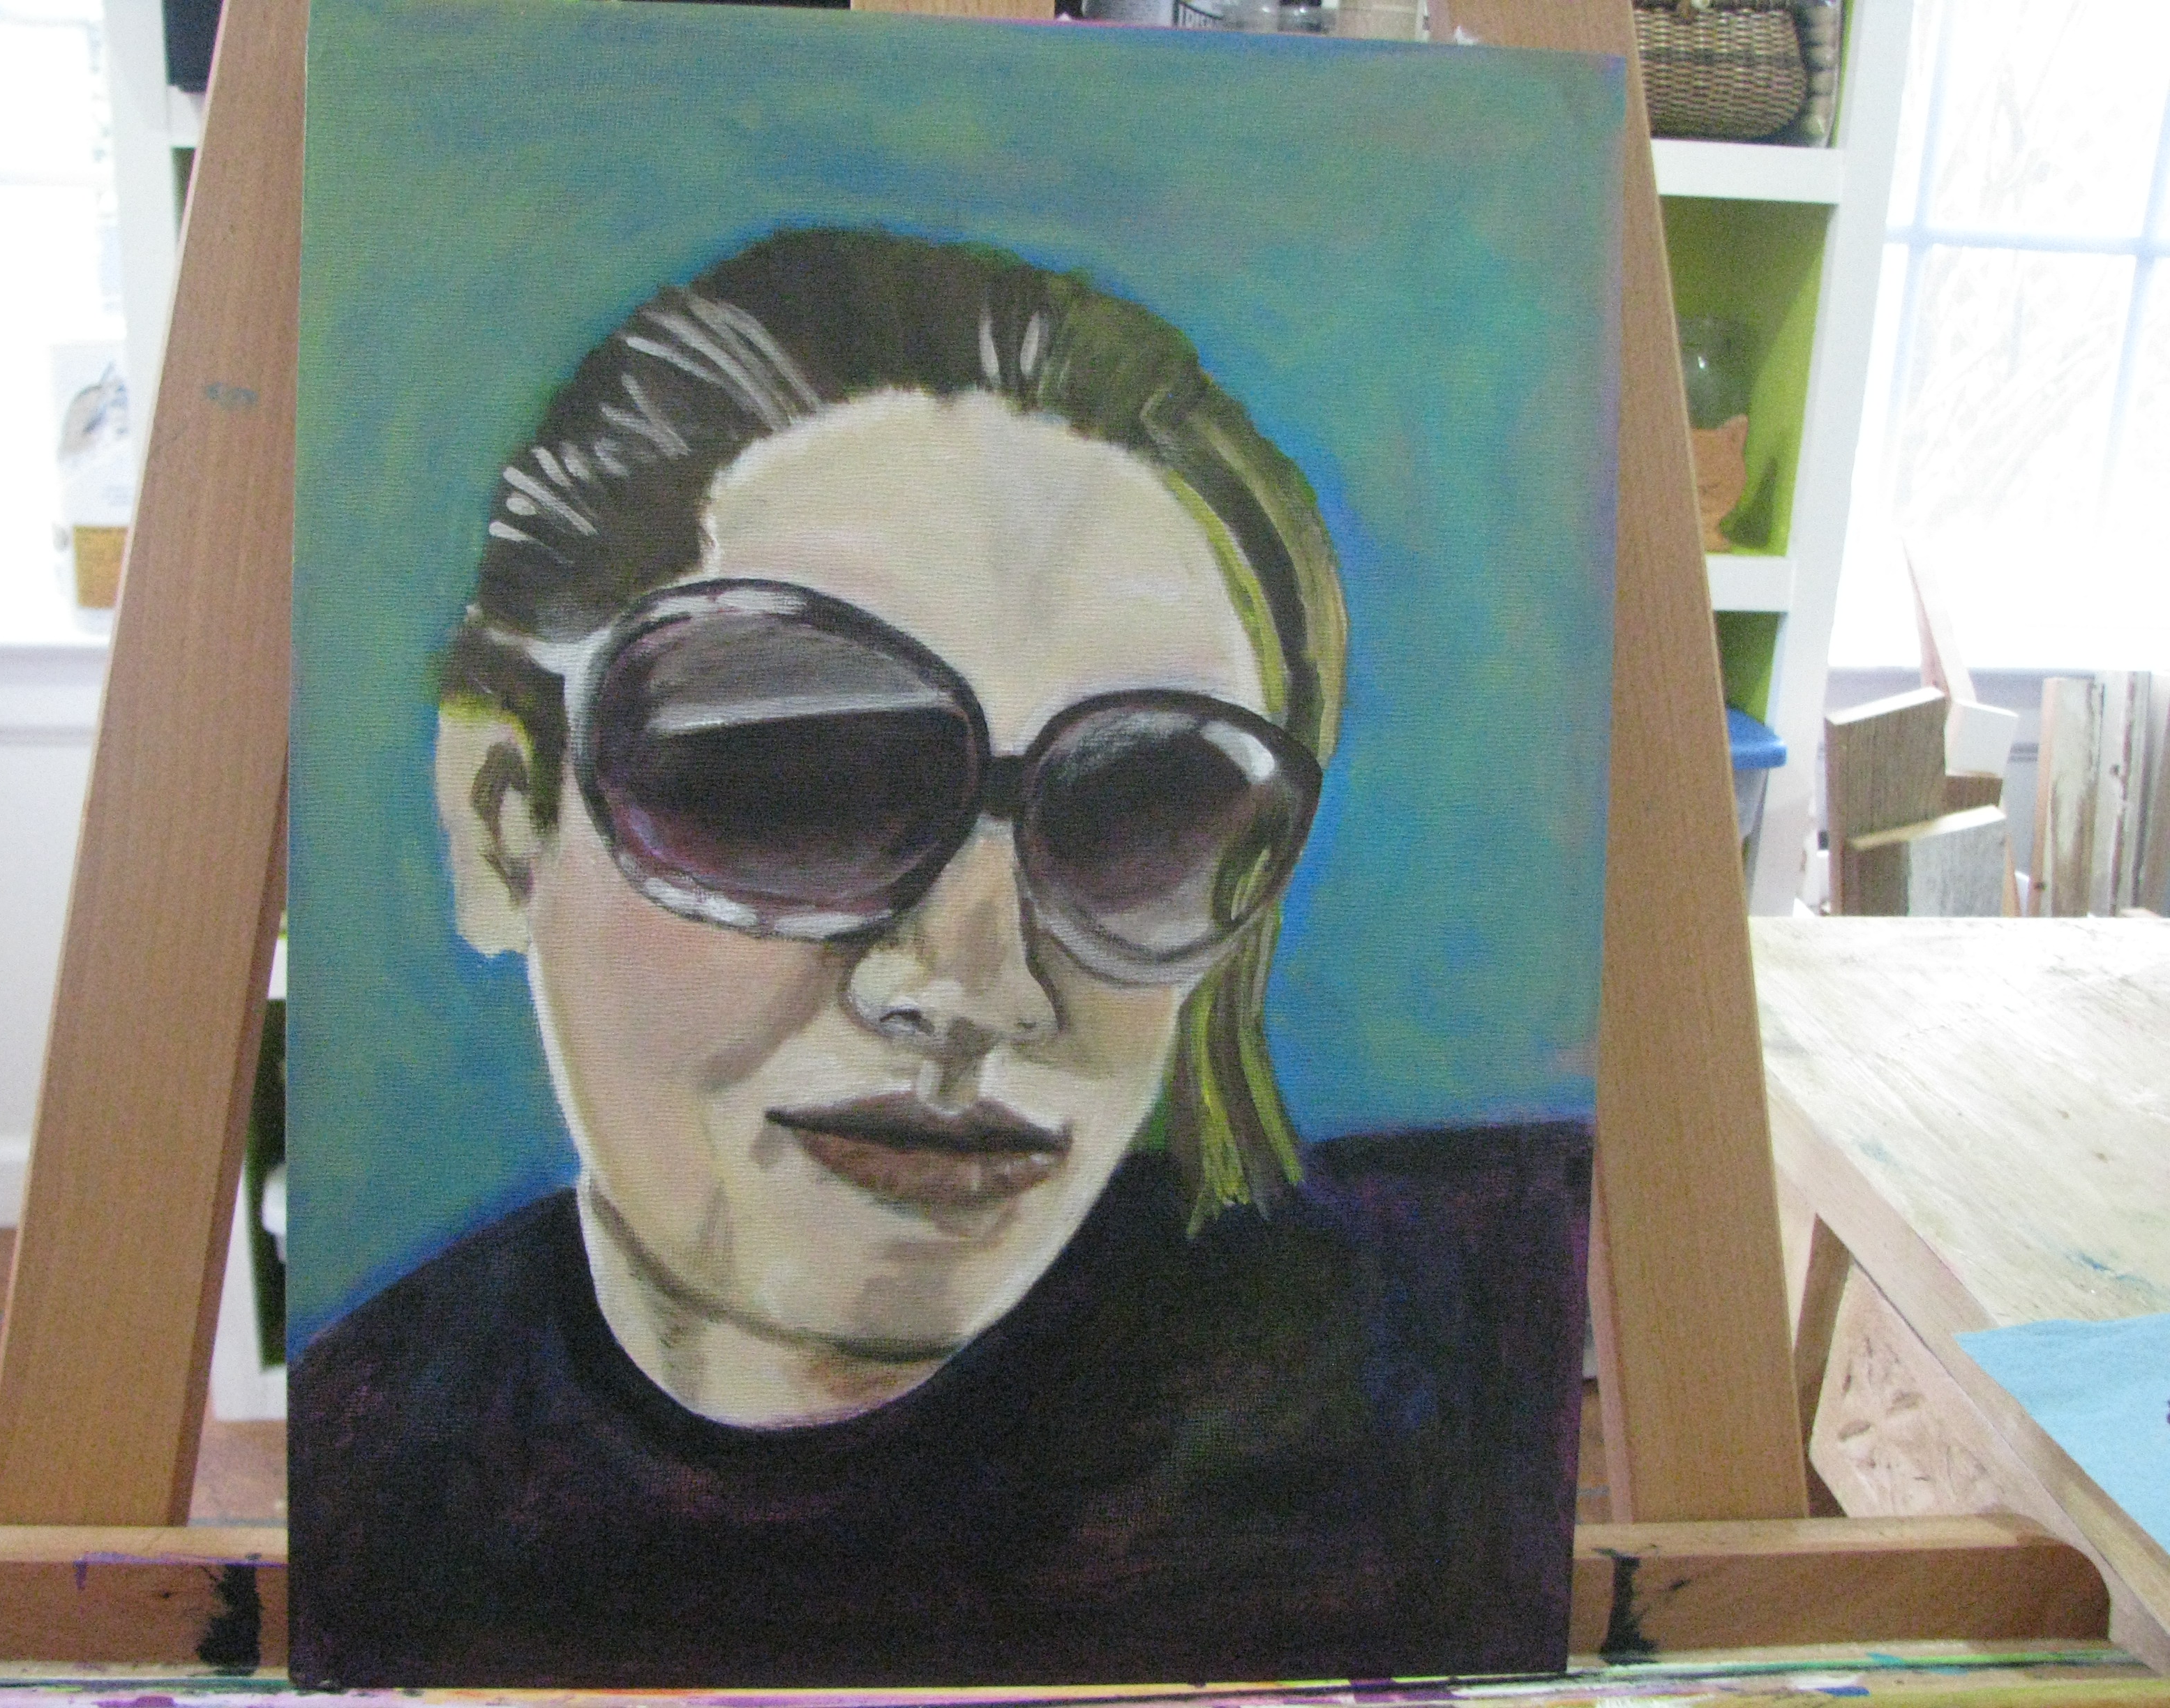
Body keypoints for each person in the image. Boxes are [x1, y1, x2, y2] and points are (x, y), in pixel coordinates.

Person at [291, 229, 1590, 1688]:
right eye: (786, 783)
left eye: (1146, 815)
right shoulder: (370, 1479)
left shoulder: (1455, 1355)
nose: (975, 986)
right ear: (500, 824)